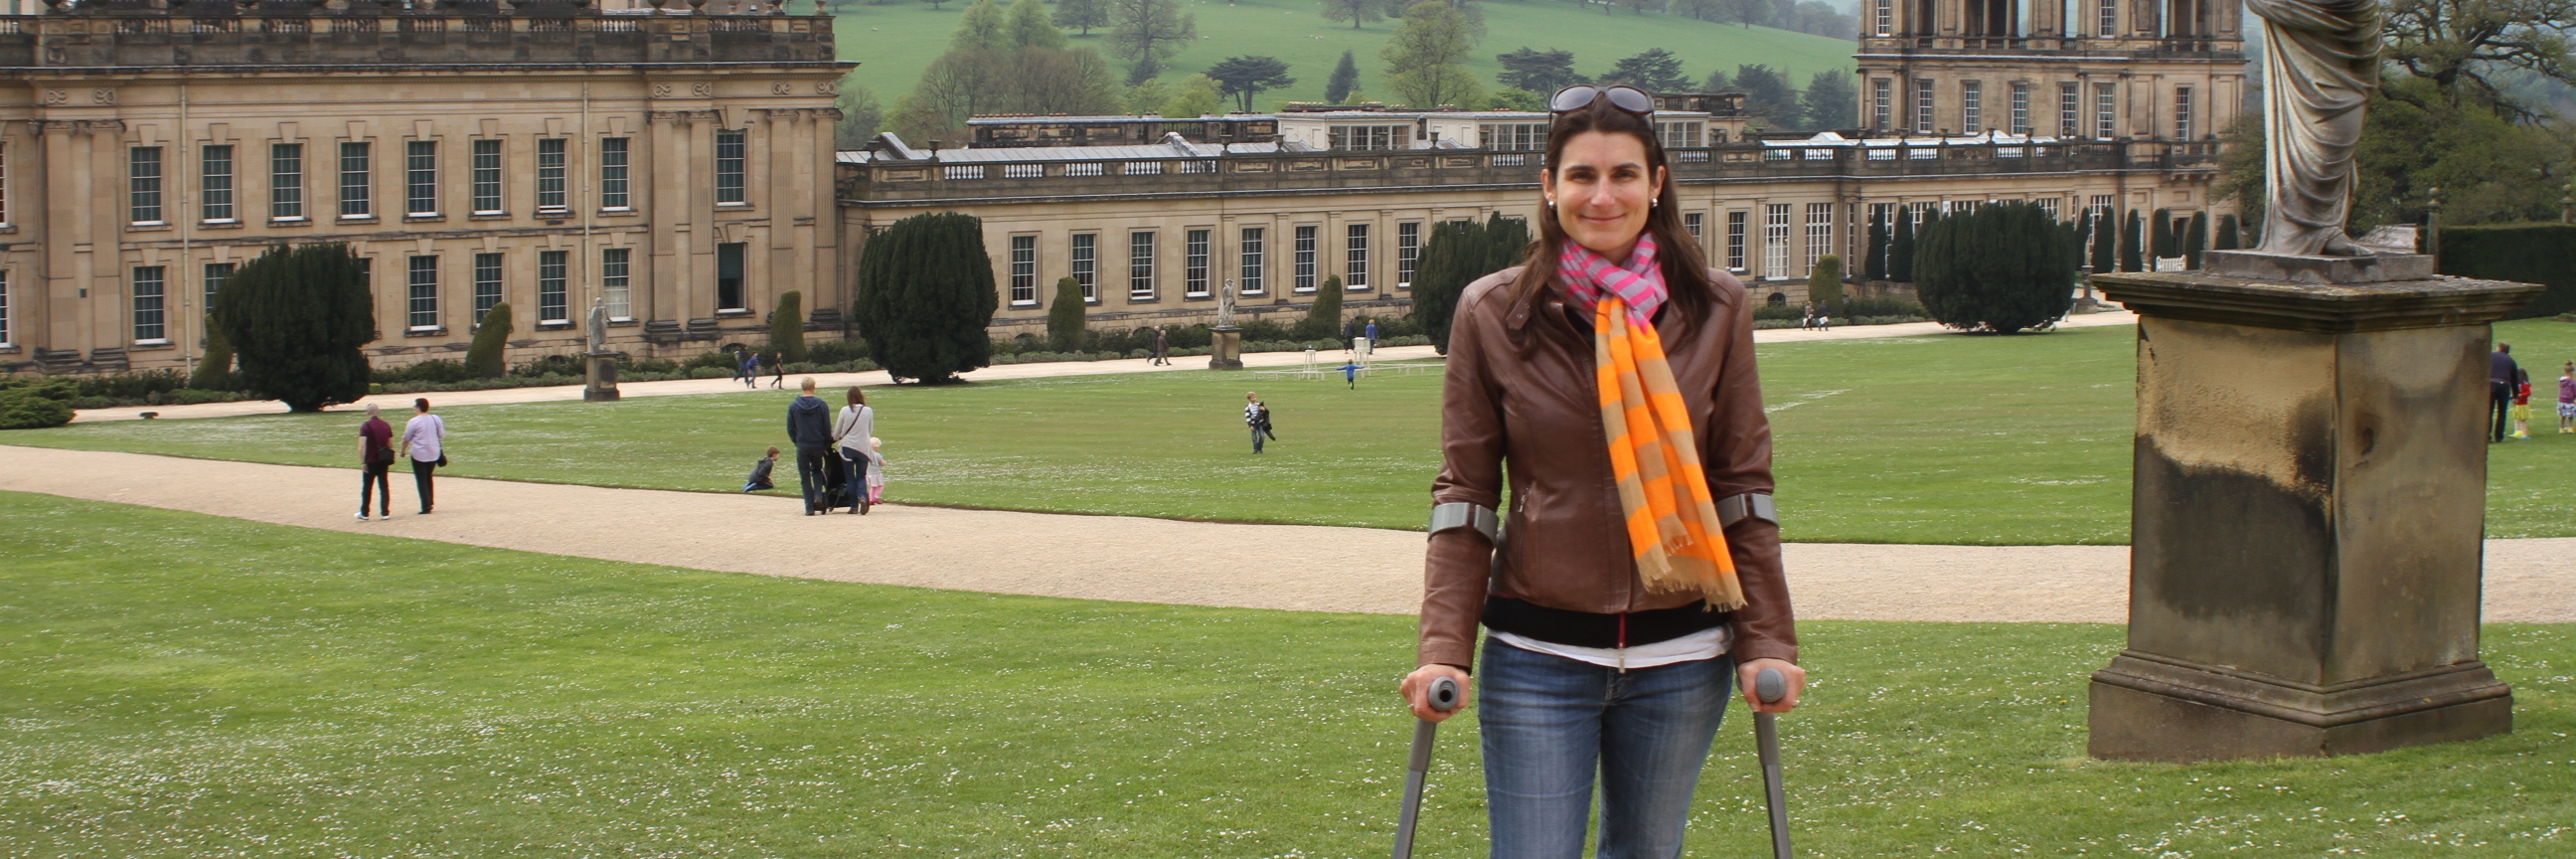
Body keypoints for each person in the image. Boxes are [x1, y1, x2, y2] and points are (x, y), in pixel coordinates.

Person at [1402, 84, 1801, 859]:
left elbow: (1742, 487)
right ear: (1548, 188)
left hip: (1683, 657)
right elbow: (1467, 495)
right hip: (1539, 656)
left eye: (1623, 174)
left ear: (1657, 185)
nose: (1602, 194)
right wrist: (1443, 649)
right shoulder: (1493, 312)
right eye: (1581, 175)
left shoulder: (1717, 308)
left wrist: (1768, 642)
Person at [786, 377, 835, 515]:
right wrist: (826, 442)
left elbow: (790, 427)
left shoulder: (794, 405)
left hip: (802, 444)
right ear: (814, 386)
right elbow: (826, 426)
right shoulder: (821, 404)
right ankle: (818, 495)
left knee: (804, 476)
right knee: (817, 470)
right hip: (817, 444)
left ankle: (809, 507)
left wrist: (796, 441)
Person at [832, 386, 884, 515]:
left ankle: (854, 506)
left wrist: (835, 437)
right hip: (863, 447)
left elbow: (837, 431)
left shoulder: (844, 410)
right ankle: (862, 496)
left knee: (850, 477)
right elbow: (869, 430)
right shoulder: (868, 411)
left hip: (848, 446)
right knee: (861, 476)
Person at [401, 398, 446, 515]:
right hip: (434, 452)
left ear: (418, 407)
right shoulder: (436, 419)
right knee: (428, 477)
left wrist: (402, 451)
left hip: (419, 453)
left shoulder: (414, 421)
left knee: (421, 479)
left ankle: (426, 506)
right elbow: (441, 435)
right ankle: (430, 502)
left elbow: (406, 438)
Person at [356, 403, 395, 521]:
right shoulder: (386, 425)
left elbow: (362, 446)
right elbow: (390, 444)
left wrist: (363, 462)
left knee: (367, 487)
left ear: (367, 413)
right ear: (378, 412)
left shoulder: (365, 426)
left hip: (370, 460)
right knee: (384, 486)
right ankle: (385, 512)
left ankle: (365, 512)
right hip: (383, 459)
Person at [2493, 343, 2519, 443]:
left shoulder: (2491, 356)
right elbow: (2514, 379)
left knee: (2489, 411)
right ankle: (2499, 437)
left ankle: (2487, 436)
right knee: (2502, 413)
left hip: (2491, 384)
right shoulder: (2511, 361)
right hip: (2504, 385)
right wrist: (2515, 395)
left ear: (2499, 348)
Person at [2512, 368, 2533, 440]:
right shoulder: (2518, 384)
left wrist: (2521, 395)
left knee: (2522, 420)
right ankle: (2518, 433)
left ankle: (2525, 434)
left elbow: (2528, 393)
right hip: (2518, 404)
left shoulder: (2525, 384)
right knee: (2517, 419)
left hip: (2523, 405)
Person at [2558, 362, 2574, 434]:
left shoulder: (2561, 381)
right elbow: (2574, 391)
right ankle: (2570, 428)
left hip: (2561, 400)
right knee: (2570, 415)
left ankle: (2562, 428)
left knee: (2563, 415)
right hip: (2569, 400)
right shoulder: (2572, 382)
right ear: (2572, 372)